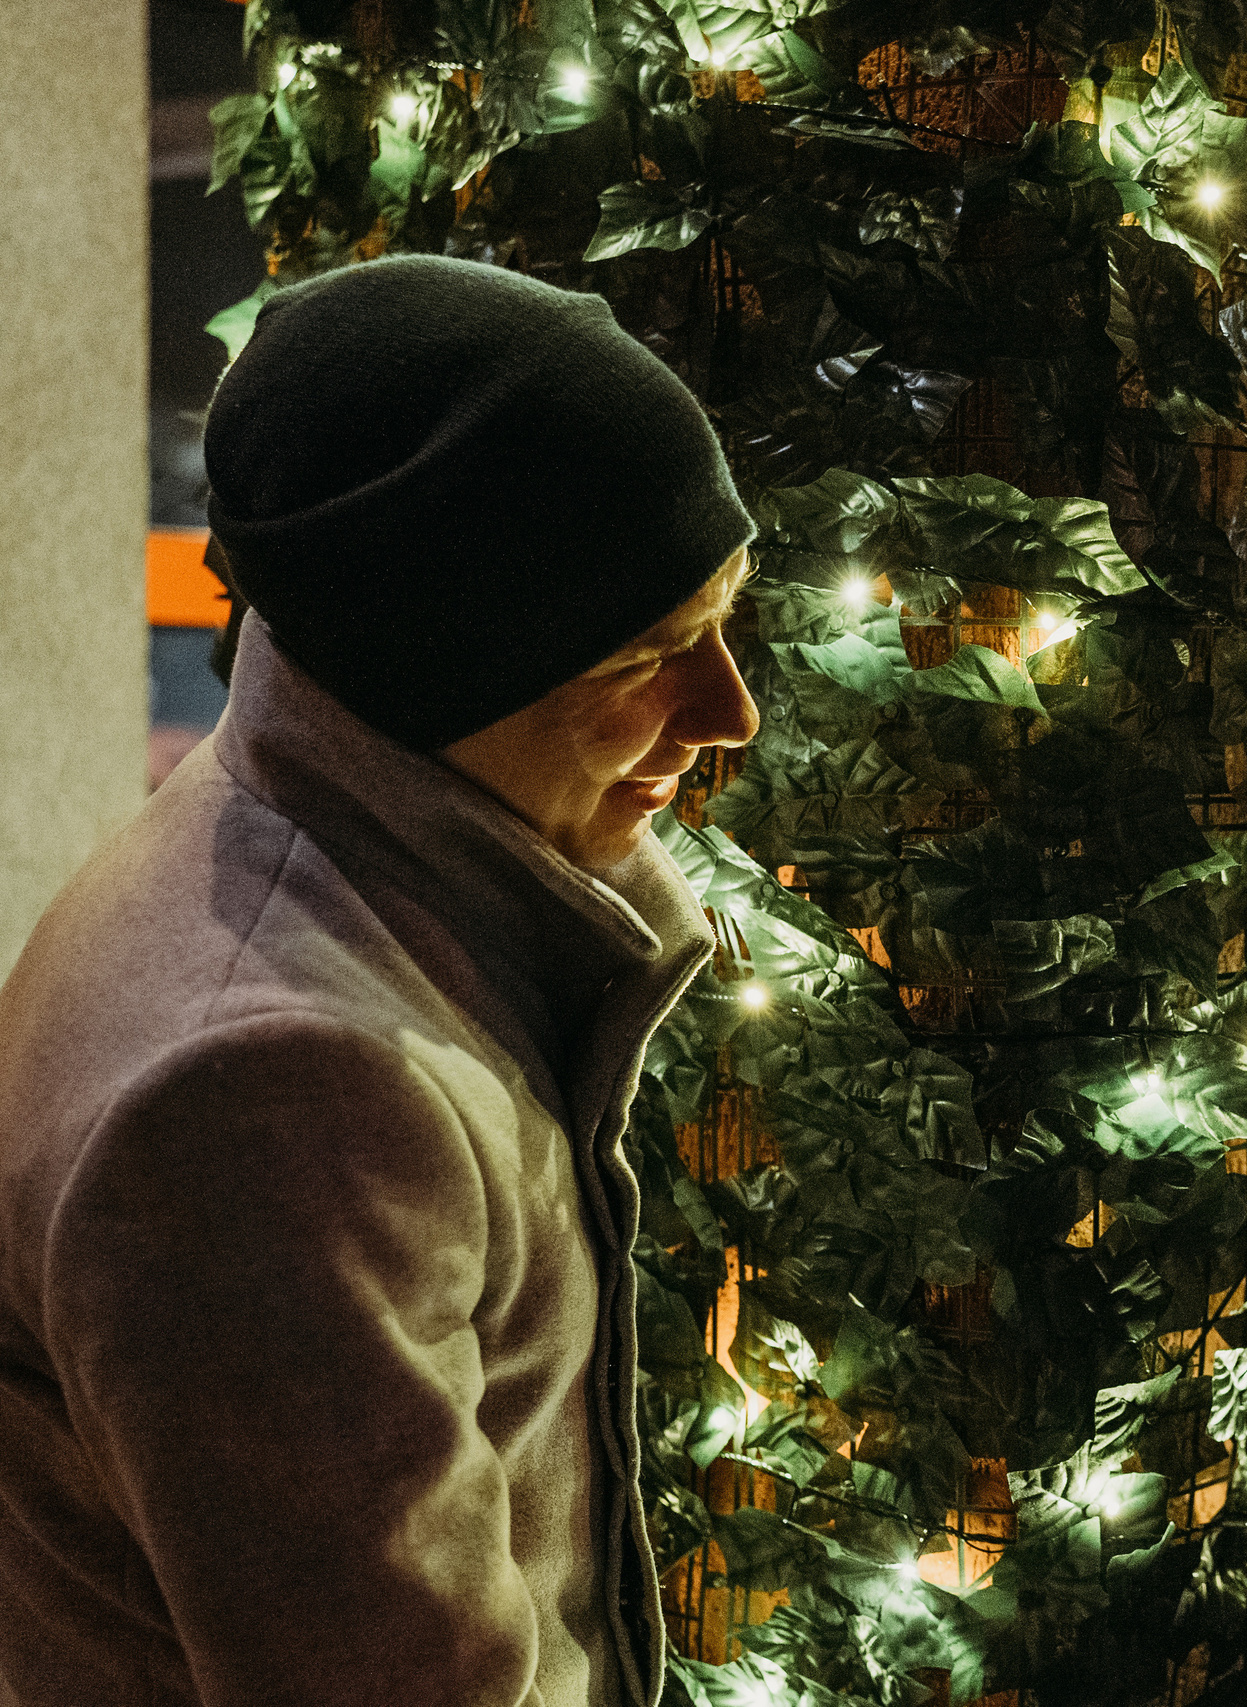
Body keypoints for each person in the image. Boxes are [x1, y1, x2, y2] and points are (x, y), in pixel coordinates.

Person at [0, 256, 760, 1707]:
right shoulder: (271, 1094)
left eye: (727, 614)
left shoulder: (351, 849)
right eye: (650, 651)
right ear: (444, 665)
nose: (732, 709)